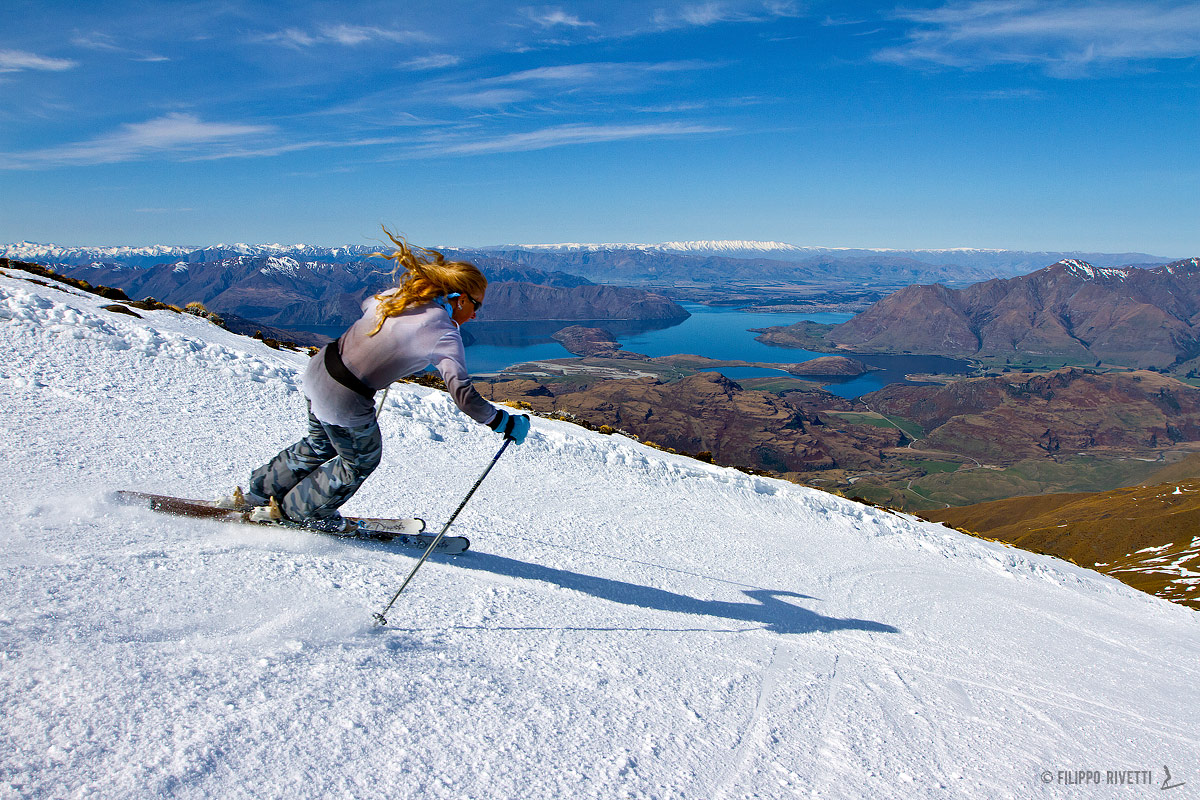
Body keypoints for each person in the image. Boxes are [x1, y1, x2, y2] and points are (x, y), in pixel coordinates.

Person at [226, 229, 529, 532]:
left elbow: (367, 308)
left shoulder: (396, 297)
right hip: (345, 396)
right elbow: (463, 394)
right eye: (477, 305)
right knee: (359, 460)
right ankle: (299, 512)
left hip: (319, 368)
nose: (476, 315)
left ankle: (258, 491)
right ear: (461, 299)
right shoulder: (443, 332)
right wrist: (501, 421)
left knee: (320, 443)